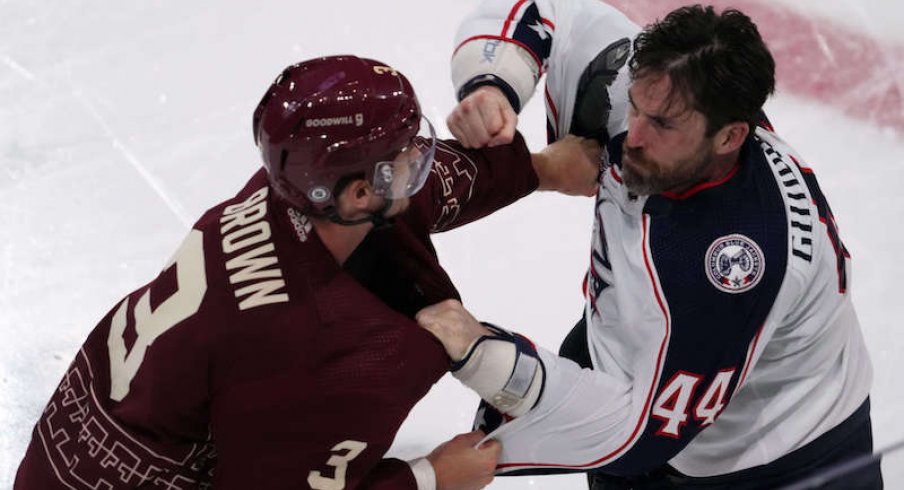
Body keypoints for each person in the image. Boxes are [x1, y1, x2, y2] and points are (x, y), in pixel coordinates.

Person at [14, 55, 600, 489]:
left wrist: (540, 169)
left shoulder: (280, 193)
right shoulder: (319, 354)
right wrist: (431, 477)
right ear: (352, 193)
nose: (421, 160)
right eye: (404, 157)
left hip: (68, 457)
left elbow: (403, 201)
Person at [418, 3, 883, 489]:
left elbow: (638, 435)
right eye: (636, 108)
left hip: (781, 460)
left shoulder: (728, 270)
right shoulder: (660, 93)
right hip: (655, 394)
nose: (631, 137)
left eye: (661, 124)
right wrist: (492, 85)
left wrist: (487, 360)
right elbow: (550, 9)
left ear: (730, 136)